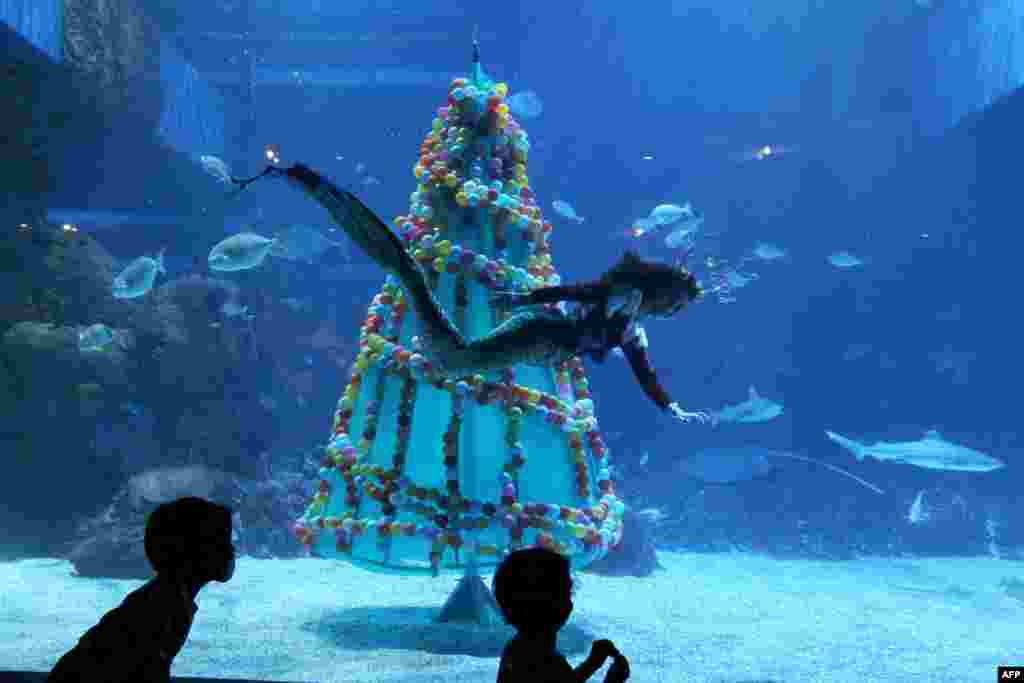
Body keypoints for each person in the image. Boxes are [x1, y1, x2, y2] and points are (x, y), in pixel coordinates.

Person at [233, 163, 709, 424]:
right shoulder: (623, 297)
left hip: (542, 340)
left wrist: (670, 406)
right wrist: (523, 301)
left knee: (455, 358)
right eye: (679, 303)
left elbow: (644, 372)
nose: (677, 312)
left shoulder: (633, 327)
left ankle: (394, 259)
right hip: (540, 333)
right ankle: (393, 256)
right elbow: (576, 288)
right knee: (454, 358)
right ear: (664, 292)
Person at [48, 497, 236, 683]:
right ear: (197, 551)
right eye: (224, 543)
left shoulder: (171, 597)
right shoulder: (163, 607)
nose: (232, 551)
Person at [492, 547, 631, 683]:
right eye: (565, 593)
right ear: (547, 604)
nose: (570, 603)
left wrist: (593, 662)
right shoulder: (545, 661)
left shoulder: (517, 650)